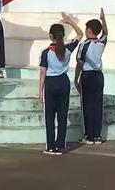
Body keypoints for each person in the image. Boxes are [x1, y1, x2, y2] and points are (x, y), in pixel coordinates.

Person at [39, 13, 83, 155]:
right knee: (62, 115)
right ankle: (60, 145)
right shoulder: (68, 48)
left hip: (51, 83)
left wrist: (40, 92)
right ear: (63, 36)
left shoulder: (46, 53)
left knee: (50, 116)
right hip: (63, 81)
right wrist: (70, 21)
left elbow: (42, 73)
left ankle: (51, 146)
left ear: (51, 36)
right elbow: (80, 34)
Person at [74, 8, 108, 145]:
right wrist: (103, 20)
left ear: (89, 31)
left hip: (87, 75)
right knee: (97, 105)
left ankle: (88, 135)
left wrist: (76, 79)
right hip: (99, 76)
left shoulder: (84, 44)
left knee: (87, 105)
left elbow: (79, 63)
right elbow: (106, 33)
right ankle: (97, 135)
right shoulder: (101, 43)